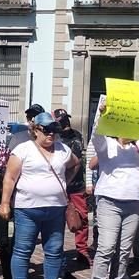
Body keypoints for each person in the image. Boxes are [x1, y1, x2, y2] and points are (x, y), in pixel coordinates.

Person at [0, 112, 80, 279]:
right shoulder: (23, 149)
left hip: (56, 208)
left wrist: (64, 183)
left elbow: (75, 164)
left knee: (54, 250)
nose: (51, 134)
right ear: (35, 130)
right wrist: (5, 203)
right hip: (27, 209)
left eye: (55, 130)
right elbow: (9, 177)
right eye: (47, 130)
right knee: (22, 250)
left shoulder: (63, 149)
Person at [88, 106, 139, 279]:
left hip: (133, 202)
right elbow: (96, 135)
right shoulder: (107, 145)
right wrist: (102, 114)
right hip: (110, 201)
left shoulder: (137, 146)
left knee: (125, 248)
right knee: (107, 246)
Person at [54, 109, 90, 267]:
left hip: (77, 186)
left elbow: (82, 160)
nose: (65, 125)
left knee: (82, 219)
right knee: (58, 221)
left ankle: (82, 251)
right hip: (60, 185)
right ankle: (58, 252)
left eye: (66, 121)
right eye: (62, 122)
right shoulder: (55, 138)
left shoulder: (77, 135)